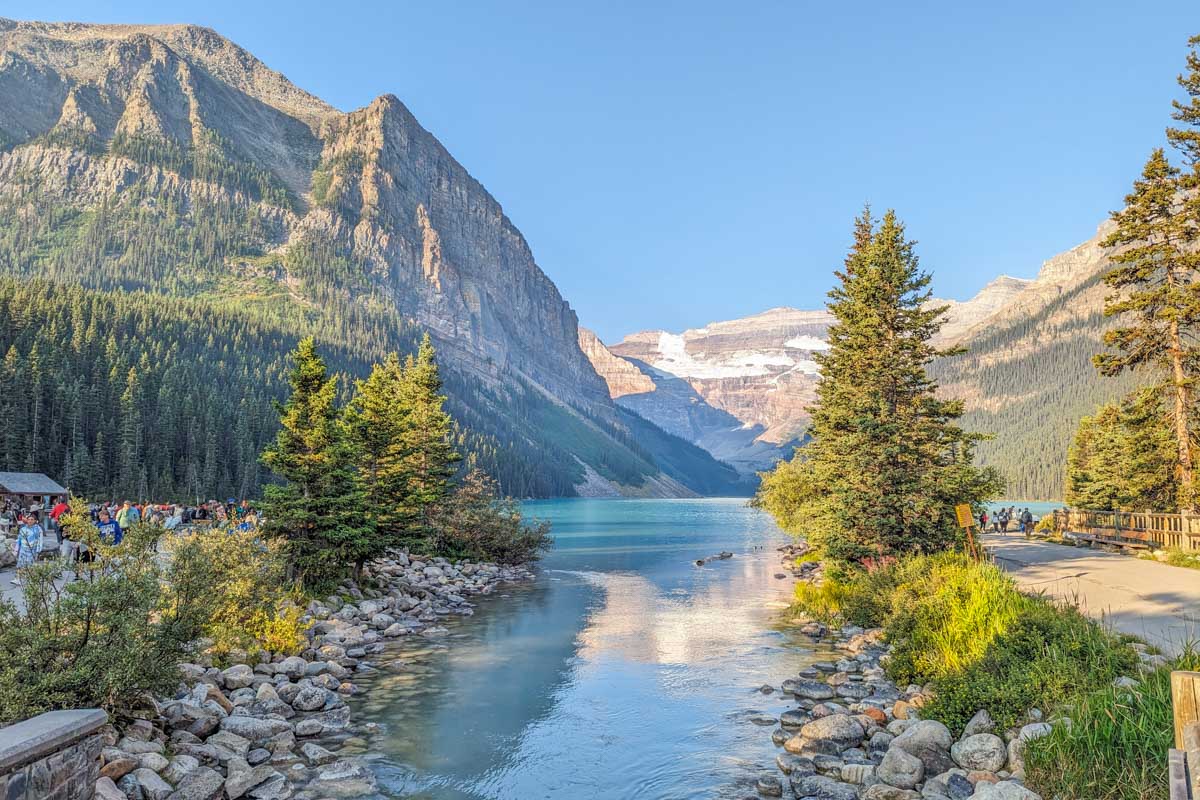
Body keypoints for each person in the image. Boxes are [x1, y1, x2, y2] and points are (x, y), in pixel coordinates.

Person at [12, 513, 44, 585]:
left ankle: (32, 579)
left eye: (32, 519)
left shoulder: (38, 529)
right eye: (29, 519)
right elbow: (19, 539)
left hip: (32, 549)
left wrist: (39, 549)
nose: (30, 521)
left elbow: (40, 540)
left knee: (31, 565)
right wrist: (16, 549)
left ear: (35, 521)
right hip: (23, 549)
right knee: (20, 564)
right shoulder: (23, 529)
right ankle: (18, 578)